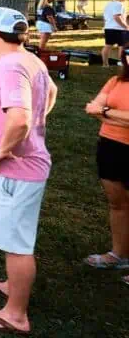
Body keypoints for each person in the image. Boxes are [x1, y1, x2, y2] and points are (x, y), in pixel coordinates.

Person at [0, 8, 57, 334]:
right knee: (13, 238)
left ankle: (15, 314)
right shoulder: (30, 59)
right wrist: (34, 127)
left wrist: (4, 151)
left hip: (15, 170)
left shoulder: (11, 65)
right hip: (22, 166)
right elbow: (50, 95)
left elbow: (19, 118)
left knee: (18, 244)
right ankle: (10, 286)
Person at [83, 48, 129, 284]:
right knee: (117, 203)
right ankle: (119, 254)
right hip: (110, 147)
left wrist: (106, 112)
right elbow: (92, 108)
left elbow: (100, 109)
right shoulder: (115, 80)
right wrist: (109, 113)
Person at [103, 0, 128, 67]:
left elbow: (105, 17)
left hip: (108, 28)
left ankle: (105, 64)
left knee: (108, 45)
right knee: (122, 46)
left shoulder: (108, 4)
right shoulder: (119, 4)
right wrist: (126, 26)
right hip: (118, 28)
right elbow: (117, 17)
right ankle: (122, 62)